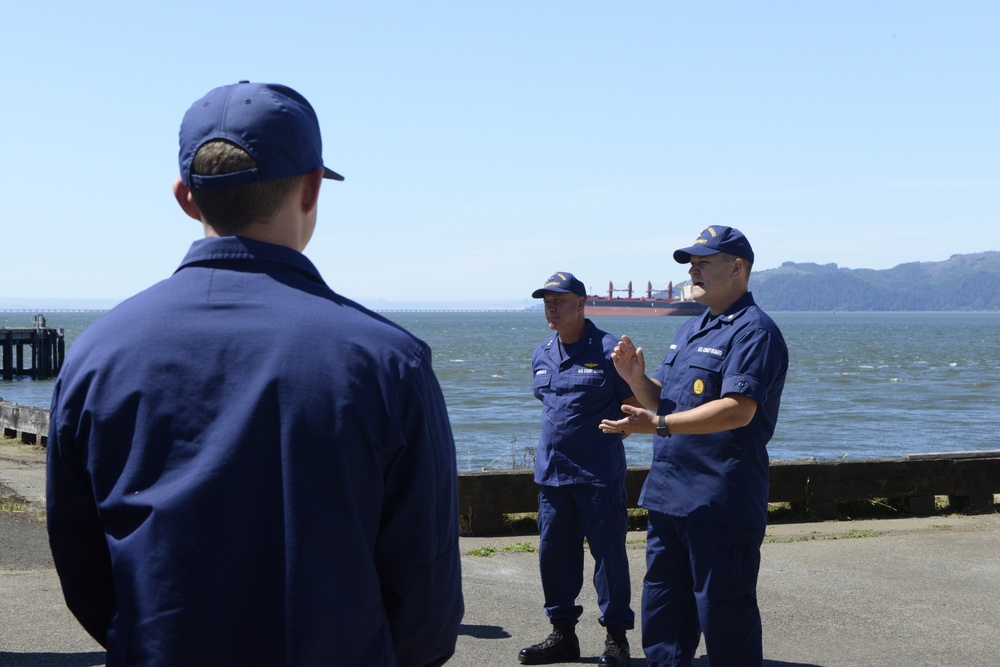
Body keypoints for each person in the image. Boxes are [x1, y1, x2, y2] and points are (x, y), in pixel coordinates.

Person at [45, 81, 464, 667]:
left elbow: (82, 562)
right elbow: (426, 599)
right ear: (313, 186)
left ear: (185, 197)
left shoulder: (95, 355)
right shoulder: (392, 362)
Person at [599, 227, 788, 667]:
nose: (693, 269)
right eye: (690, 263)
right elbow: (664, 400)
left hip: (719, 501)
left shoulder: (754, 332)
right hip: (670, 497)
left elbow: (737, 410)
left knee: (725, 620)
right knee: (663, 617)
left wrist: (659, 424)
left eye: (704, 261)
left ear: (737, 268)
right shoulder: (690, 327)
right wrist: (634, 379)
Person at [518, 272, 640, 666]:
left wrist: (618, 432)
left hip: (597, 476)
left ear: (581, 304)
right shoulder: (542, 353)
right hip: (552, 476)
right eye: (546, 302)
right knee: (553, 557)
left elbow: (635, 407)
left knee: (608, 558)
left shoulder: (609, 350)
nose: (551, 308)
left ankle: (616, 639)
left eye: (559, 301)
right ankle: (563, 635)